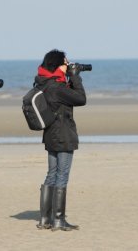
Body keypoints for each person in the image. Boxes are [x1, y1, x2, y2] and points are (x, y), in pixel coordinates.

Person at [35, 49, 86, 231]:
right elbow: (81, 98)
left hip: (50, 134)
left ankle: (44, 219)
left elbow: (67, 99)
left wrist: (69, 77)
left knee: (52, 174)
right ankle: (58, 220)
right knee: (62, 176)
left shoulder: (43, 82)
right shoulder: (57, 86)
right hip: (63, 135)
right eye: (66, 62)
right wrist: (76, 77)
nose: (68, 65)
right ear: (58, 65)